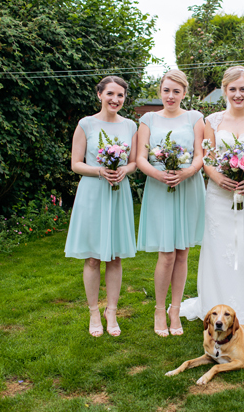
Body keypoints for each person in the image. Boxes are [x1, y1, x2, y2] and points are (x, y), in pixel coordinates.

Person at [179, 66, 244, 326]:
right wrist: (216, 176)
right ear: (225, 90)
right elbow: (207, 158)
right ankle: (216, 308)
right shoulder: (212, 121)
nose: (238, 94)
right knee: (219, 248)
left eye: (243, 89)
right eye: (232, 89)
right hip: (219, 194)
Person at [64, 76, 138, 337]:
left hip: (118, 193)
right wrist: (100, 171)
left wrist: (124, 171)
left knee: (115, 256)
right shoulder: (86, 124)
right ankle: (94, 311)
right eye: (110, 94)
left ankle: (112, 311)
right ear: (99, 95)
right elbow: (75, 163)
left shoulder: (130, 125)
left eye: (120, 95)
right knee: (94, 257)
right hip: (93, 193)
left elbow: (133, 162)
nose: (115, 100)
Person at [136, 70, 205, 337]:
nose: (170, 96)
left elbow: (200, 155)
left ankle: (175, 310)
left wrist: (185, 173)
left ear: (184, 93)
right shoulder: (148, 119)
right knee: (166, 254)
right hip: (159, 187)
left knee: (183, 251)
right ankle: (159, 308)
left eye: (176, 91)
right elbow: (141, 157)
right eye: (166, 90)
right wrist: (159, 174)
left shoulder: (195, 118)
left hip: (188, 186)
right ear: (160, 91)